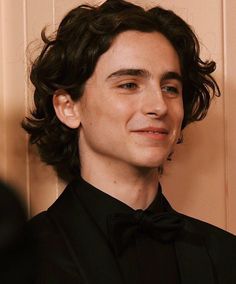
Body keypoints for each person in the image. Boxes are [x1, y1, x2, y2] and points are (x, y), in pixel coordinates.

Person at [22, 0, 236, 283]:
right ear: (68, 107)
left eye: (170, 88)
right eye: (129, 85)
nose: (159, 106)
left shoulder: (226, 254)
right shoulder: (22, 259)